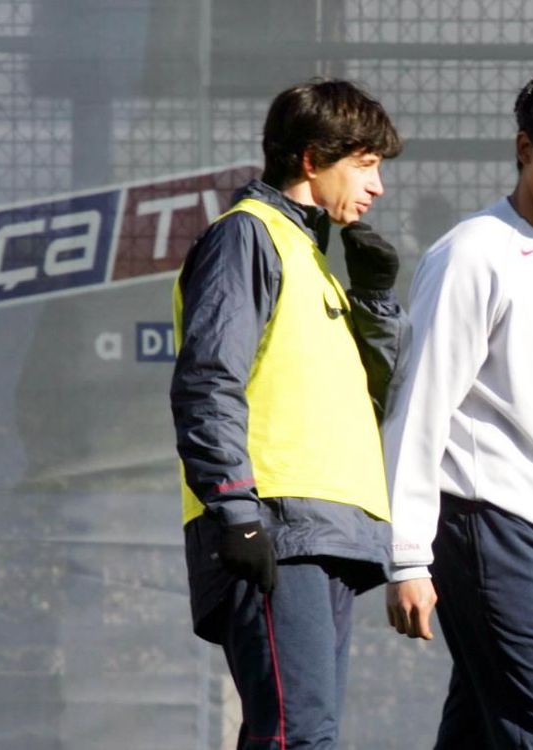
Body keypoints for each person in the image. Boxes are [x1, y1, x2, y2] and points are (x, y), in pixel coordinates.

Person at [383, 68, 533, 749]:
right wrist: (405, 556)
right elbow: (419, 405)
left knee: (481, 736)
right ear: (526, 149)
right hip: (487, 530)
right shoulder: (472, 254)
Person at [170, 79, 404, 749]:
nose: (379, 185)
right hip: (273, 525)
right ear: (311, 159)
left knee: (304, 734)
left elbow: (368, 397)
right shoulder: (248, 236)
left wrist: (376, 302)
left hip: (323, 529)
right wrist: (236, 512)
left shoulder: (312, 257)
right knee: (296, 737)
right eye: (365, 163)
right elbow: (208, 381)